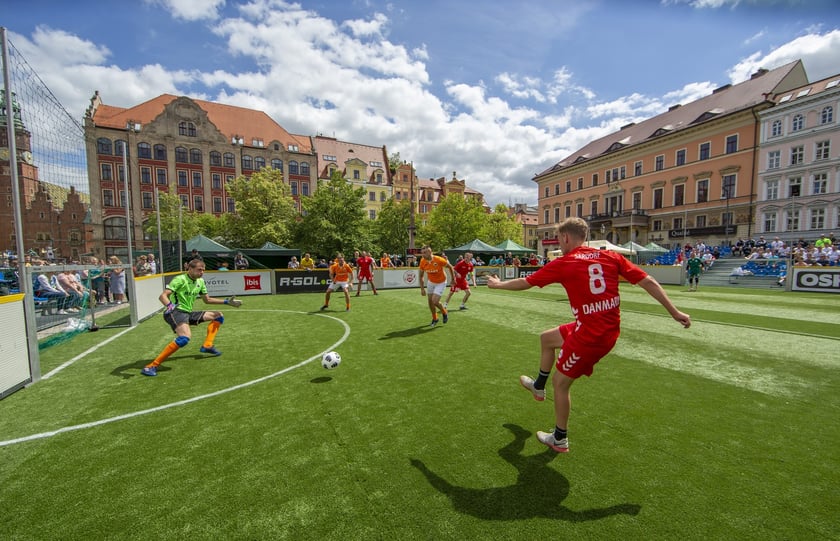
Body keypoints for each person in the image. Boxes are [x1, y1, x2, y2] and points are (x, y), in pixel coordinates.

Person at [487, 217, 690, 453]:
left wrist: (497, 285)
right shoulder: (611, 257)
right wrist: (674, 312)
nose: (560, 245)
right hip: (600, 328)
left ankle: (559, 438)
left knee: (561, 384)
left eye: (560, 240)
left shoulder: (565, 262)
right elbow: (649, 281)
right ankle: (538, 387)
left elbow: (526, 281)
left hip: (592, 337)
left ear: (565, 237)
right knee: (547, 339)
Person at [141, 259, 242, 377]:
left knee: (218, 316)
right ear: (190, 269)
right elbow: (163, 296)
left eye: (203, 270)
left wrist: (226, 302)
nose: (202, 272)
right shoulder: (180, 279)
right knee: (184, 338)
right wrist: (170, 306)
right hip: (175, 312)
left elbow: (207, 300)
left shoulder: (200, 282)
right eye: (199, 270)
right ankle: (151, 366)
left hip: (187, 313)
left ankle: (207, 345)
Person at [418, 245, 455, 327]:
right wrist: (422, 289)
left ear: (430, 252)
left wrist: (453, 279)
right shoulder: (422, 261)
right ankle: (435, 318)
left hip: (441, 282)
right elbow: (420, 276)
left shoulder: (439, 260)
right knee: (430, 302)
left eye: (425, 252)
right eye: (422, 253)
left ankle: (444, 312)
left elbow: (450, 267)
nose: (423, 254)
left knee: (435, 301)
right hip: (431, 282)